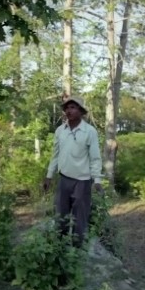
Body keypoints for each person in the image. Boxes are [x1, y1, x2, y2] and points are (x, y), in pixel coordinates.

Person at [43, 96, 103, 247]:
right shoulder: (60, 131)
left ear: (81, 111)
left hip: (82, 182)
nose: (69, 110)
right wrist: (49, 176)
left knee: (79, 219)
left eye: (73, 107)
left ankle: (77, 251)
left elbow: (95, 158)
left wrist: (97, 180)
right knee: (60, 216)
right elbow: (55, 155)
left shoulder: (89, 131)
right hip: (64, 180)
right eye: (67, 108)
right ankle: (60, 248)